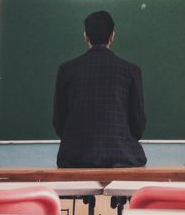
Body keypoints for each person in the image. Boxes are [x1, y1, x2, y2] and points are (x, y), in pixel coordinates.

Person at [53, 10, 147, 168]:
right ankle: (118, 195)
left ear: (86, 36)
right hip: (123, 156)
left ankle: (85, 195)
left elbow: (59, 122)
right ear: (112, 36)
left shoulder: (66, 70)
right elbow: (138, 125)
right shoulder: (131, 71)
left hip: (75, 156)